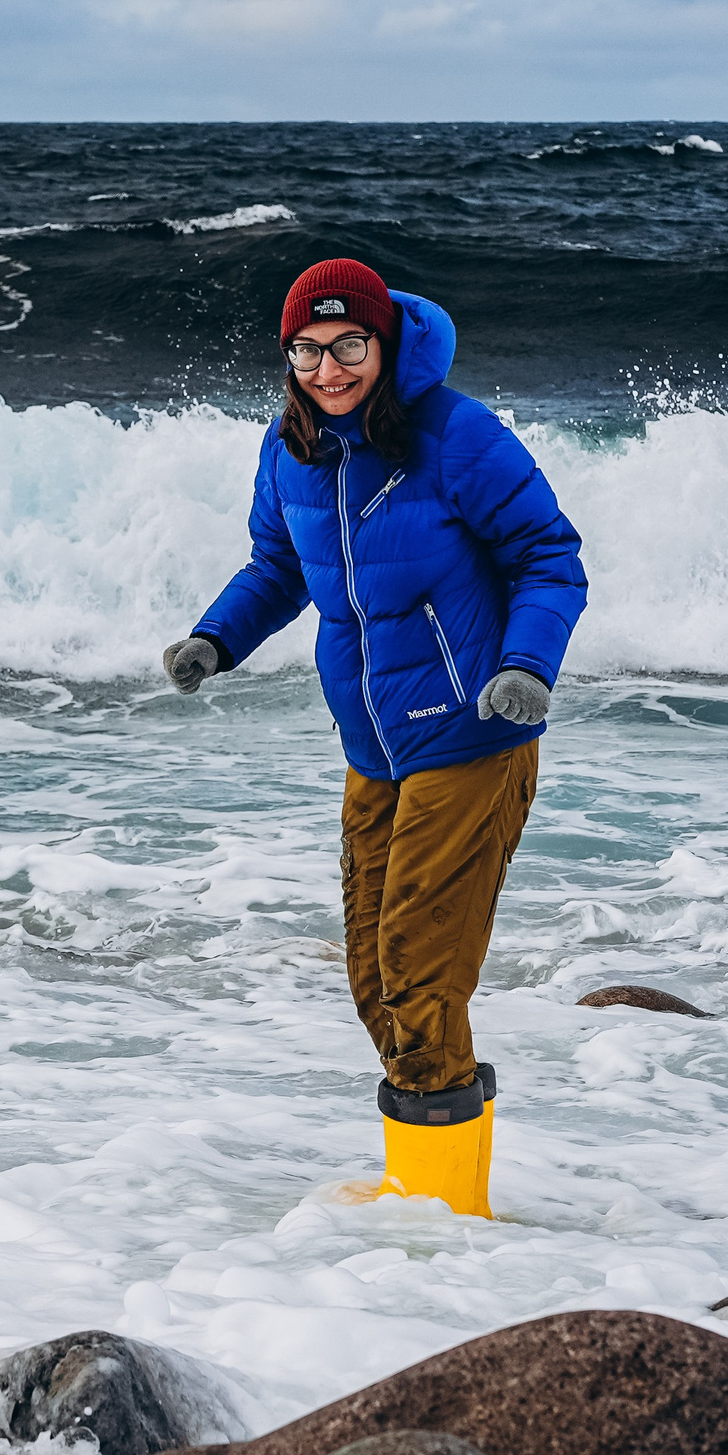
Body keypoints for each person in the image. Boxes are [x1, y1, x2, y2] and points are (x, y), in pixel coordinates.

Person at [162, 258, 586, 1219]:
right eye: (307, 349)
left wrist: (526, 665)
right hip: (375, 746)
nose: (329, 367)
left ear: (384, 342)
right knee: (372, 969)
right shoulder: (292, 447)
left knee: (419, 970)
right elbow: (279, 564)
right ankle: (424, 1182)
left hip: (474, 736)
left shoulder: (456, 437)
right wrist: (216, 637)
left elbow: (549, 556)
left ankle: (447, 1218)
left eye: (349, 345)